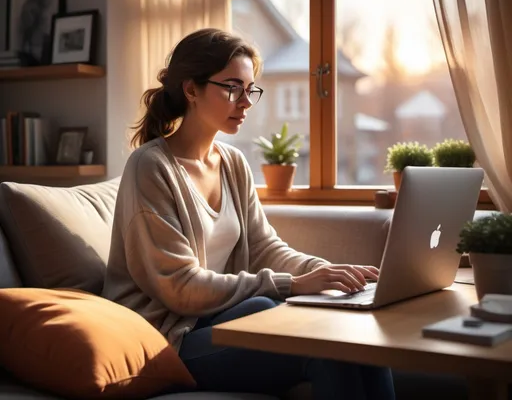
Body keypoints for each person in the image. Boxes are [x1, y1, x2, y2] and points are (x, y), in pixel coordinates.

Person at [103, 28, 395, 399]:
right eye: (232, 88)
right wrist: (292, 285)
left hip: (216, 319)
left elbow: (264, 248)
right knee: (287, 321)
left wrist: (332, 275)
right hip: (168, 338)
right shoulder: (150, 167)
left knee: (348, 332)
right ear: (191, 89)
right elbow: (179, 288)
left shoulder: (233, 163)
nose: (246, 102)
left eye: (250, 89)